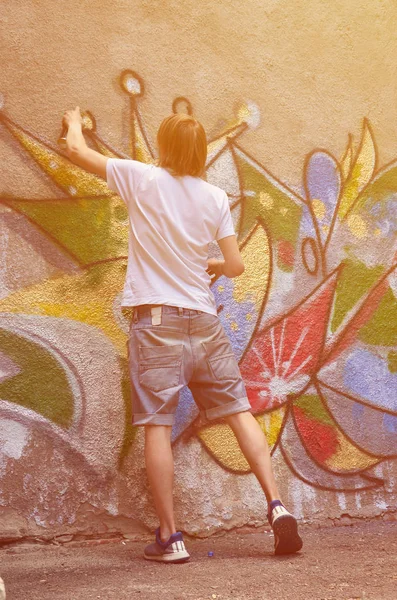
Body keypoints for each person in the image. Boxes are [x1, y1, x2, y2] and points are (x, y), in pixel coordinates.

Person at [62, 107, 303, 563]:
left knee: (157, 424)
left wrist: (75, 120)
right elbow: (234, 266)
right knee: (237, 411)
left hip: (157, 324)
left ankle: (170, 538)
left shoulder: (142, 178)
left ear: (165, 147)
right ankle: (277, 505)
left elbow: (76, 152)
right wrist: (206, 263)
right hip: (204, 320)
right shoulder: (214, 197)